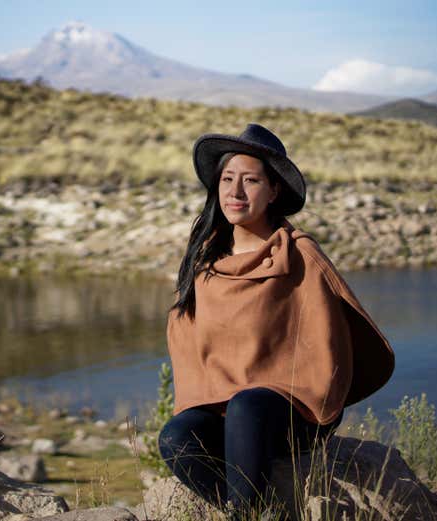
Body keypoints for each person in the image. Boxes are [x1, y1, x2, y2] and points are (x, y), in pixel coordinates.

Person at [158, 123, 395, 520]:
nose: (235, 192)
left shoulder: (300, 254)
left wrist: (325, 391)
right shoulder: (205, 260)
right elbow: (187, 342)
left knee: (248, 405)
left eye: (250, 181)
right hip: (226, 412)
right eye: (227, 179)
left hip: (293, 414)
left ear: (273, 191)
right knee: (176, 436)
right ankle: (256, 512)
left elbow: (335, 339)